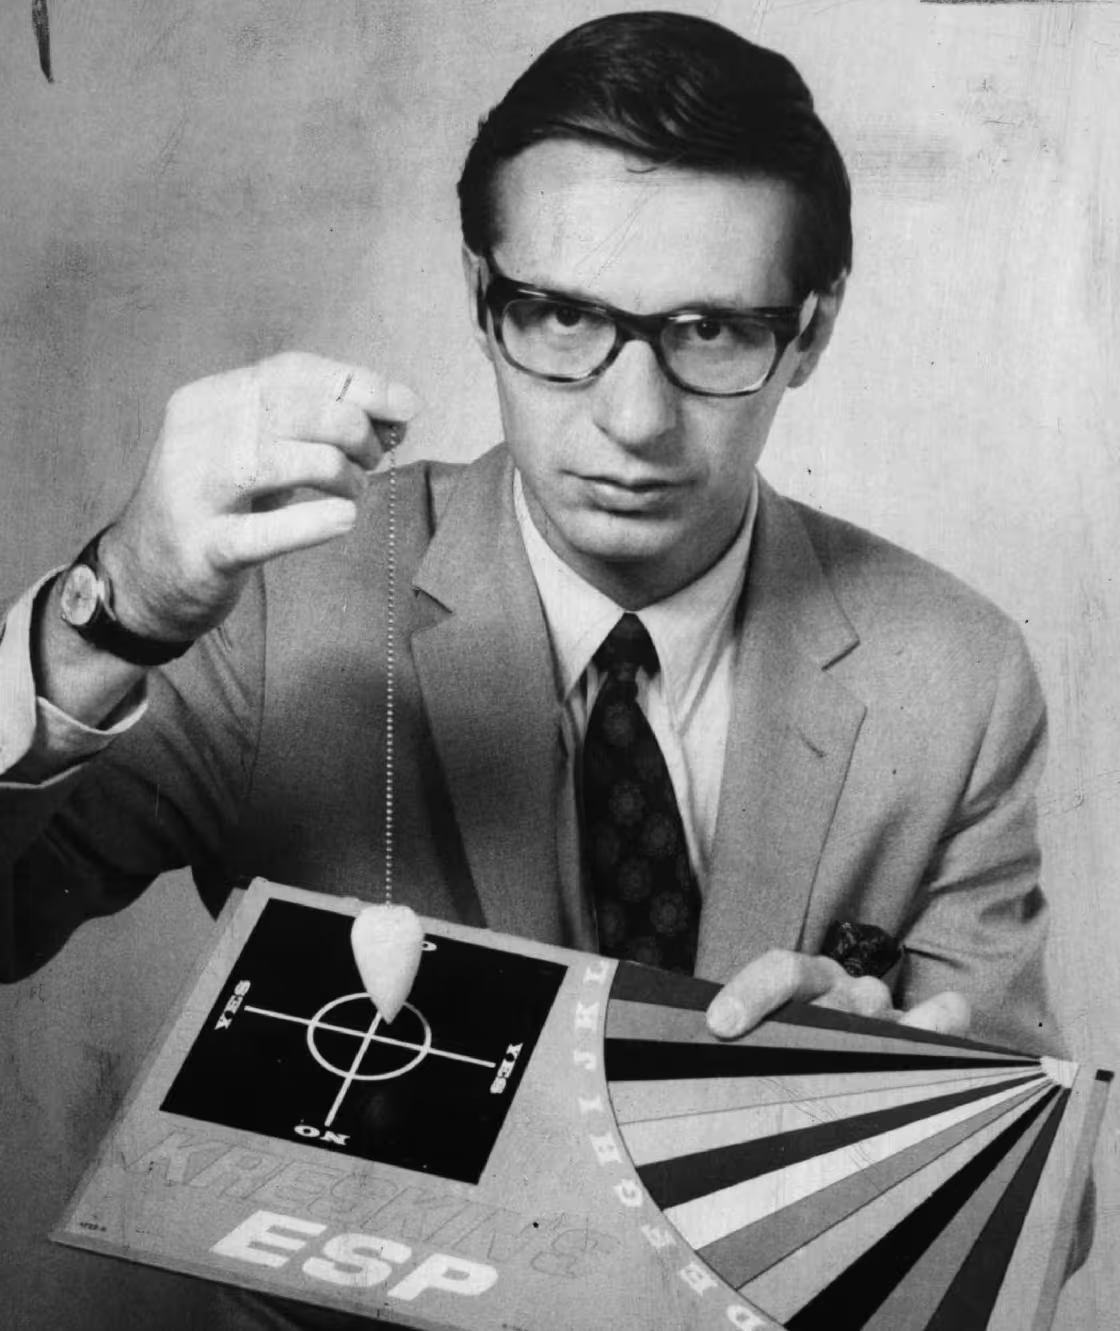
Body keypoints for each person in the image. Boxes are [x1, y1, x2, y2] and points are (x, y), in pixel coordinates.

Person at [1, 11, 1078, 1322]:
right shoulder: (281, 602)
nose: (633, 420)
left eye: (712, 331)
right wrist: (108, 615)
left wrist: (911, 1127)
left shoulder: (955, 674)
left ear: (812, 330)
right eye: (562, 315)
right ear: (481, 297)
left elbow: (1042, 1208)